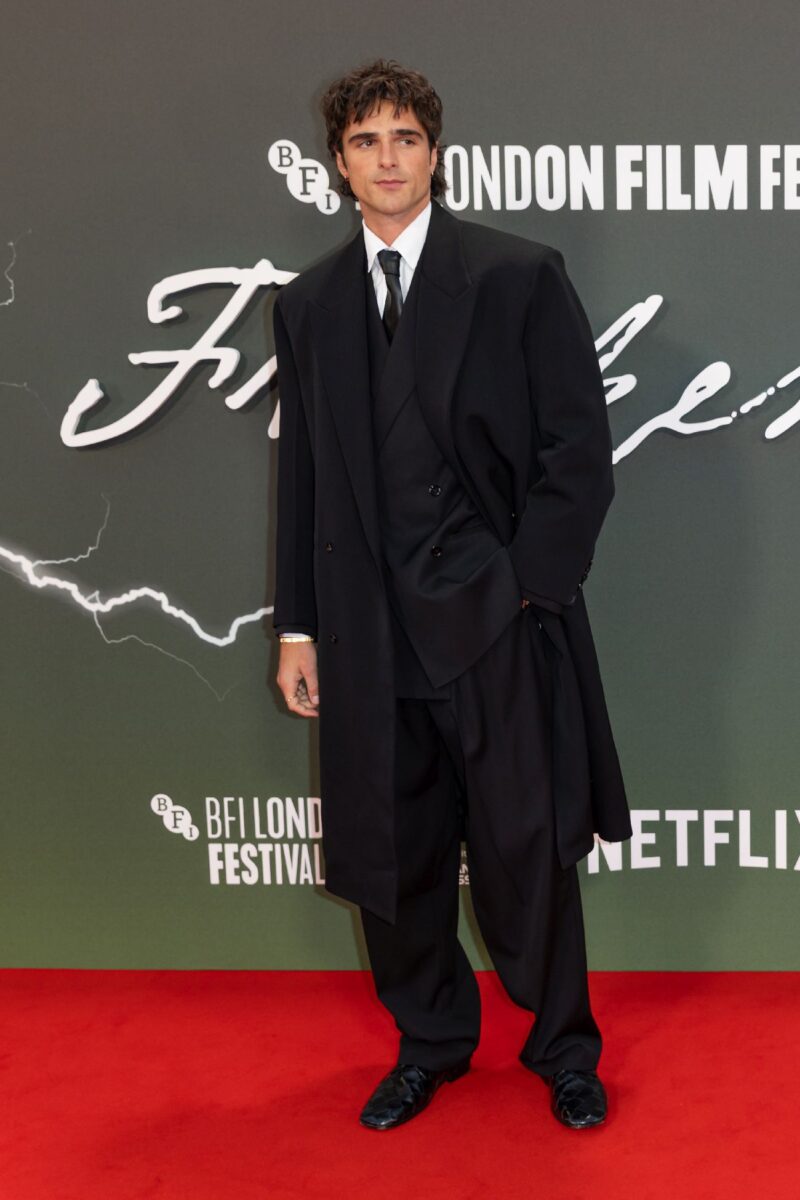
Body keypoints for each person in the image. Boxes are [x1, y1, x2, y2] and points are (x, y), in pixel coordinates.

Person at [272, 58, 632, 1131]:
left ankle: (564, 1049)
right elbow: (306, 482)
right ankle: (428, 1043)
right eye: (366, 141)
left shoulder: (516, 275)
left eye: (405, 139)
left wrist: (527, 589)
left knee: (527, 847)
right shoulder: (309, 306)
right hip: (369, 637)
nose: (387, 159)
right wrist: (299, 626)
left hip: (493, 622)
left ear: (435, 153)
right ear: (337, 163)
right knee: (395, 851)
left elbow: (579, 453)